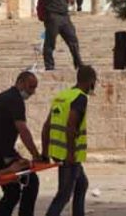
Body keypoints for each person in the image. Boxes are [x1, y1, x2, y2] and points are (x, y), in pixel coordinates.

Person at [0, 71, 45, 216]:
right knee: (30, 180)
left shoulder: (8, 97)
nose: (32, 92)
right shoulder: (15, 100)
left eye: (34, 88)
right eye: (30, 87)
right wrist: (36, 155)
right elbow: (23, 130)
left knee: (13, 192)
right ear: (20, 82)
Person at [42, 65, 96, 216]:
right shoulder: (80, 98)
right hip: (69, 155)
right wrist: (71, 155)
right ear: (91, 81)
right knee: (63, 195)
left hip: (58, 152)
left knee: (82, 184)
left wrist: (45, 153)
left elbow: (46, 126)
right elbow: (71, 127)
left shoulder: (63, 96)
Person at [41, 0, 83, 71]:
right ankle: (49, 66)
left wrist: (71, 0)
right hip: (53, 17)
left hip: (65, 17)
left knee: (73, 40)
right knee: (50, 43)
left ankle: (78, 64)